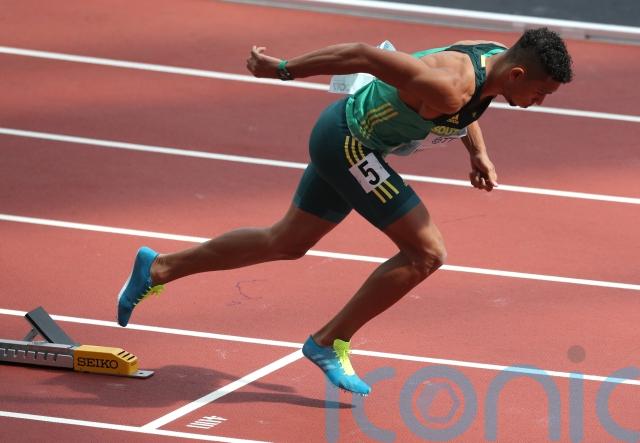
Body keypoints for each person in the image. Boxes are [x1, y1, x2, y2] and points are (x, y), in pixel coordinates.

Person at [116, 27, 573, 395]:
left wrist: (477, 153)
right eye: (542, 92)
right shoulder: (450, 86)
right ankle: (328, 342)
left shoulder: (492, 59)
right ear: (517, 74)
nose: (541, 102)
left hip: (348, 138)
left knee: (286, 242)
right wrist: (282, 69)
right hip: (349, 145)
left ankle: (159, 268)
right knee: (426, 253)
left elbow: (468, 111)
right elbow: (362, 54)